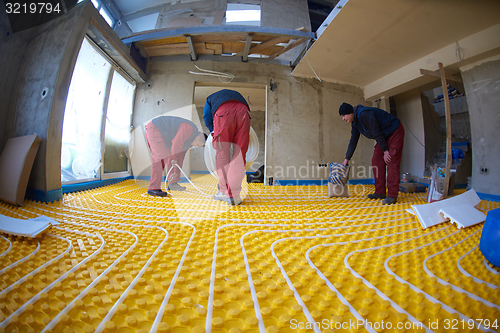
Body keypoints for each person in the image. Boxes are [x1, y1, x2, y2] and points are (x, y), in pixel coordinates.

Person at [339, 102, 404, 204]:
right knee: (376, 161)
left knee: (391, 161)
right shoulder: (355, 122)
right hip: (383, 136)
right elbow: (353, 140)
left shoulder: (363, 114)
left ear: (350, 112)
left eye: (344, 115)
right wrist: (346, 159)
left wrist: (385, 151)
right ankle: (380, 192)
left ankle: (392, 195)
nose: (343, 119)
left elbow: (375, 131)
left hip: (394, 131)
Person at [204, 89, 251, 205]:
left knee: (222, 155)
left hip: (223, 114)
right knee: (239, 156)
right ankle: (234, 195)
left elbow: (206, 116)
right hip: (244, 113)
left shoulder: (210, 98)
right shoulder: (237, 96)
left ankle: (223, 192)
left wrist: (213, 132)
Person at [145, 116, 207, 197]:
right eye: (198, 144)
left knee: (178, 157)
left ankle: (173, 184)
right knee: (160, 158)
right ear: (197, 137)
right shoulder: (189, 128)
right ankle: (153, 188)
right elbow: (176, 144)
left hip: (166, 137)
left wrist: (174, 172)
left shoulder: (189, 143)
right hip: (155, 129)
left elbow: (179, 158)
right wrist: (174, 159)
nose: (196, 146)